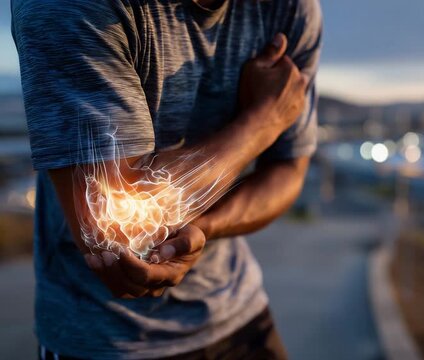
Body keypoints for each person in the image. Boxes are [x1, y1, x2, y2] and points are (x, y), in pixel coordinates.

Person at [11, 0, 321, 358]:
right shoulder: (66, 7)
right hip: (102, 339)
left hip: (237, 314)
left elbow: (288, 171)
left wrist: (202, 228)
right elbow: (119, 232)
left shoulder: (289, 9)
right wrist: (261, 124)